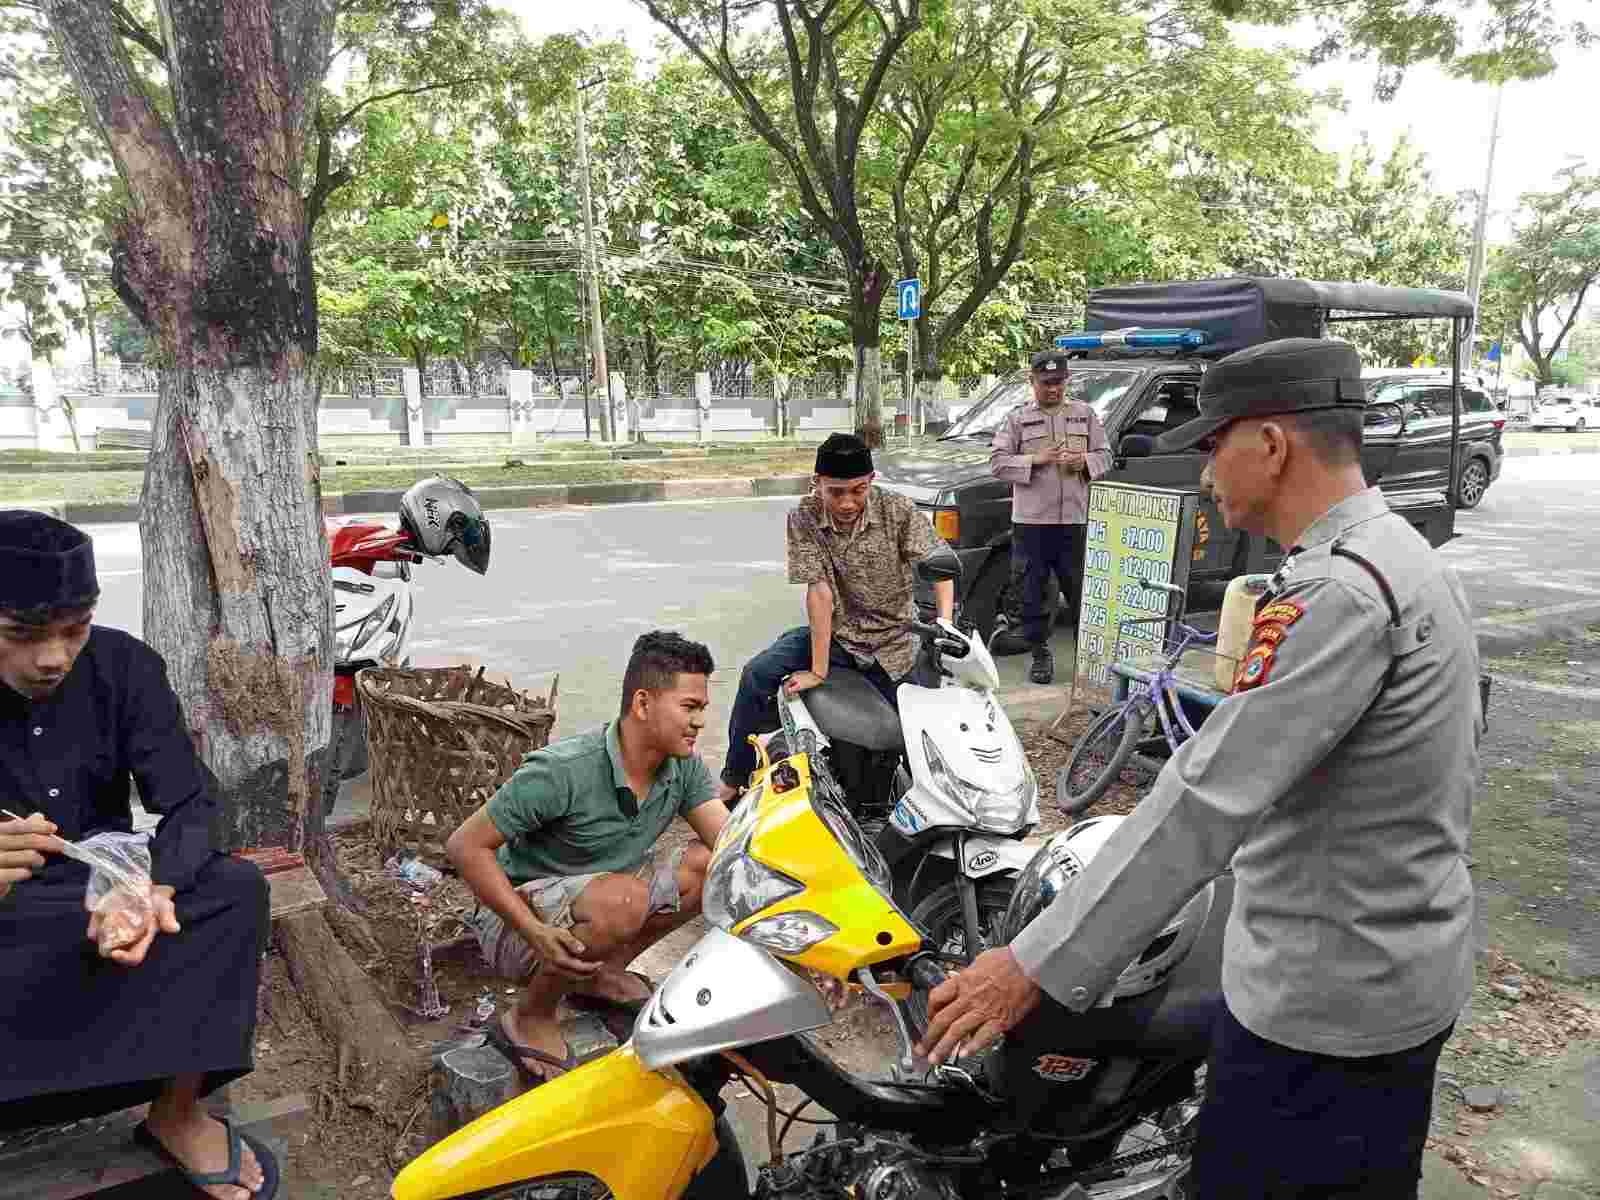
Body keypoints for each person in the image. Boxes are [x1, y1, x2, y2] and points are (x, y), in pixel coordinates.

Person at [919, 338, 1482, 1198]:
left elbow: (1204, 804)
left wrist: (1029, 962)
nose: (1205, 464)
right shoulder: (1402, 556)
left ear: (1271, 444)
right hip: (1393, 963)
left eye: (1215, 440)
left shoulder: (1340, 594)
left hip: (1326, 1005)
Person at [0, 512, 274, 1200]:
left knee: (236, 892)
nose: (54, 657)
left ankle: (177, 1110)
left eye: (75, 629)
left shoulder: (123, 668)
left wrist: (152, 889)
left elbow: (190, 802)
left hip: (95, 894)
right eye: (22, 635)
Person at [448, 631, 728, 1089]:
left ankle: (601, 974)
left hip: (600, 904)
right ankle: (530, 1014)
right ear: (642, 704)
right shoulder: (562, 770)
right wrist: (532, 930)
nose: (699, 722)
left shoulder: (684, 767)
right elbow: (464, 846)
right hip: (518, 926)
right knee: (622, 900)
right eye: (689, 707)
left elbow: (732, 843)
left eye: (702, 709)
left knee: (712, 866)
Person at [715, 433, 954, 804]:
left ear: (871, 481)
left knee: (920, 739)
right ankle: (733, 777)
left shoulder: (898, 510)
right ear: (818, 484)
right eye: (835, 491)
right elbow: (820, 593)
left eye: (857, 491)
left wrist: (945, 625)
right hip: (836, 637)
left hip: (895, 642)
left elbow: (941, 565)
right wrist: (819, 669)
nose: (847, 502)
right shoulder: (804, 517)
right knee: (756, 675)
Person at [989, 350, 1113, 682]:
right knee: (1033, 594)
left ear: (1066, 381)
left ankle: (1087, 659)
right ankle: (1040, 655)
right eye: (1046, 383)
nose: (1053, 389)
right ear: (1033, 382)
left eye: (1058, 383)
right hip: (1033, 524)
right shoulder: (1017, 419)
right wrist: (1036, 459)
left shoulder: (1085, 415)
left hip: (1075, 520)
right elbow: (998, 463)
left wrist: (1084, 461)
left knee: (1081, 592)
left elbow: (1106, 455)